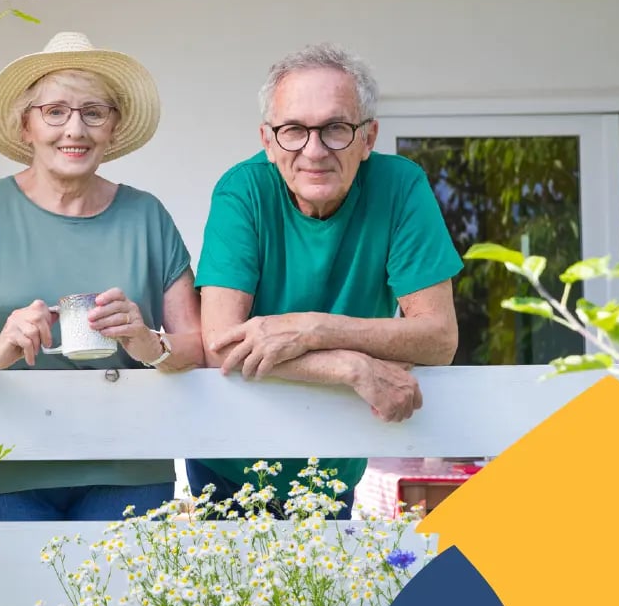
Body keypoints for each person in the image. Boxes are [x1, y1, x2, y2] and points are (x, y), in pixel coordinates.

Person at [0, 31, 204, 606]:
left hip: (127, 474)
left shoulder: (148, 216)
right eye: (57, 111)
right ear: (26, 124)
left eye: (94, 112)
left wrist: (147, 342)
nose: (76, 128)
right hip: (8, 473)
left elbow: (199, 346)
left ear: (114, 129)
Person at [186, 42, 463, 520]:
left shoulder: (401, 188)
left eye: (335, 128)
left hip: (335, 457)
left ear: (368, 137)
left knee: (323, 596)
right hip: (230, 457)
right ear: (269, 141)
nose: (313, 151)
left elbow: (439, 338)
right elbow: (220, 344)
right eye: (293, 130)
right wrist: (351, 367)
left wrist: (313, 328)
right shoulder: (241, 190)